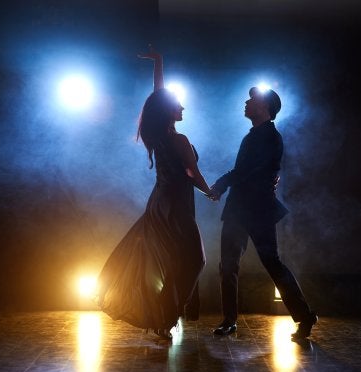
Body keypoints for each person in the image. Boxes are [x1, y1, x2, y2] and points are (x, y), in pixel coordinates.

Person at [95, 47, 213, 340]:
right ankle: (165, 316)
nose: (183, 108)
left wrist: (159, 62)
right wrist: (211, 192)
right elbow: (192, 174)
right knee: (194, 260)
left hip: (159, 206)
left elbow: (159, 96)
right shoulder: (179, 139)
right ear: (169, 111)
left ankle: (162, 318)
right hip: (176, 208)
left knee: (167, 261)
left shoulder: (159, 136)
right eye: (179, 105)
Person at [210, 86, 317, 340]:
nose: (247, 102)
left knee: (271, 264)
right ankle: (230, 320)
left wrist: (221, 184)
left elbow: (247, 171)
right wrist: (224, 185)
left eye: (253, 100)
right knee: (229, 266)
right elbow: (247, 171)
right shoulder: (254, 136)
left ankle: (304, 316)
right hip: (242, 209)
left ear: (266, 108)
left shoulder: (268, 137)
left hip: (256, 210)